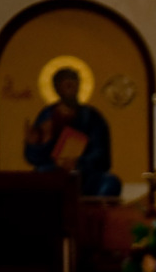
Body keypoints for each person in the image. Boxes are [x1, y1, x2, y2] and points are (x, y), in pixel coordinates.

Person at [24, 67, 121, 196]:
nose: (70, 87)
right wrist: (34, 145)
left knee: (110, 182)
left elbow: (102, 156)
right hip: (54, 175)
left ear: (79, 85)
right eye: (64, 83)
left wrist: (78, 163)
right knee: (38, 178)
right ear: (56, 88)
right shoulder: (47, 115)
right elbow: (35, 159)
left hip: (86, 176)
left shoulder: (92, 116)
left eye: (73, 82)